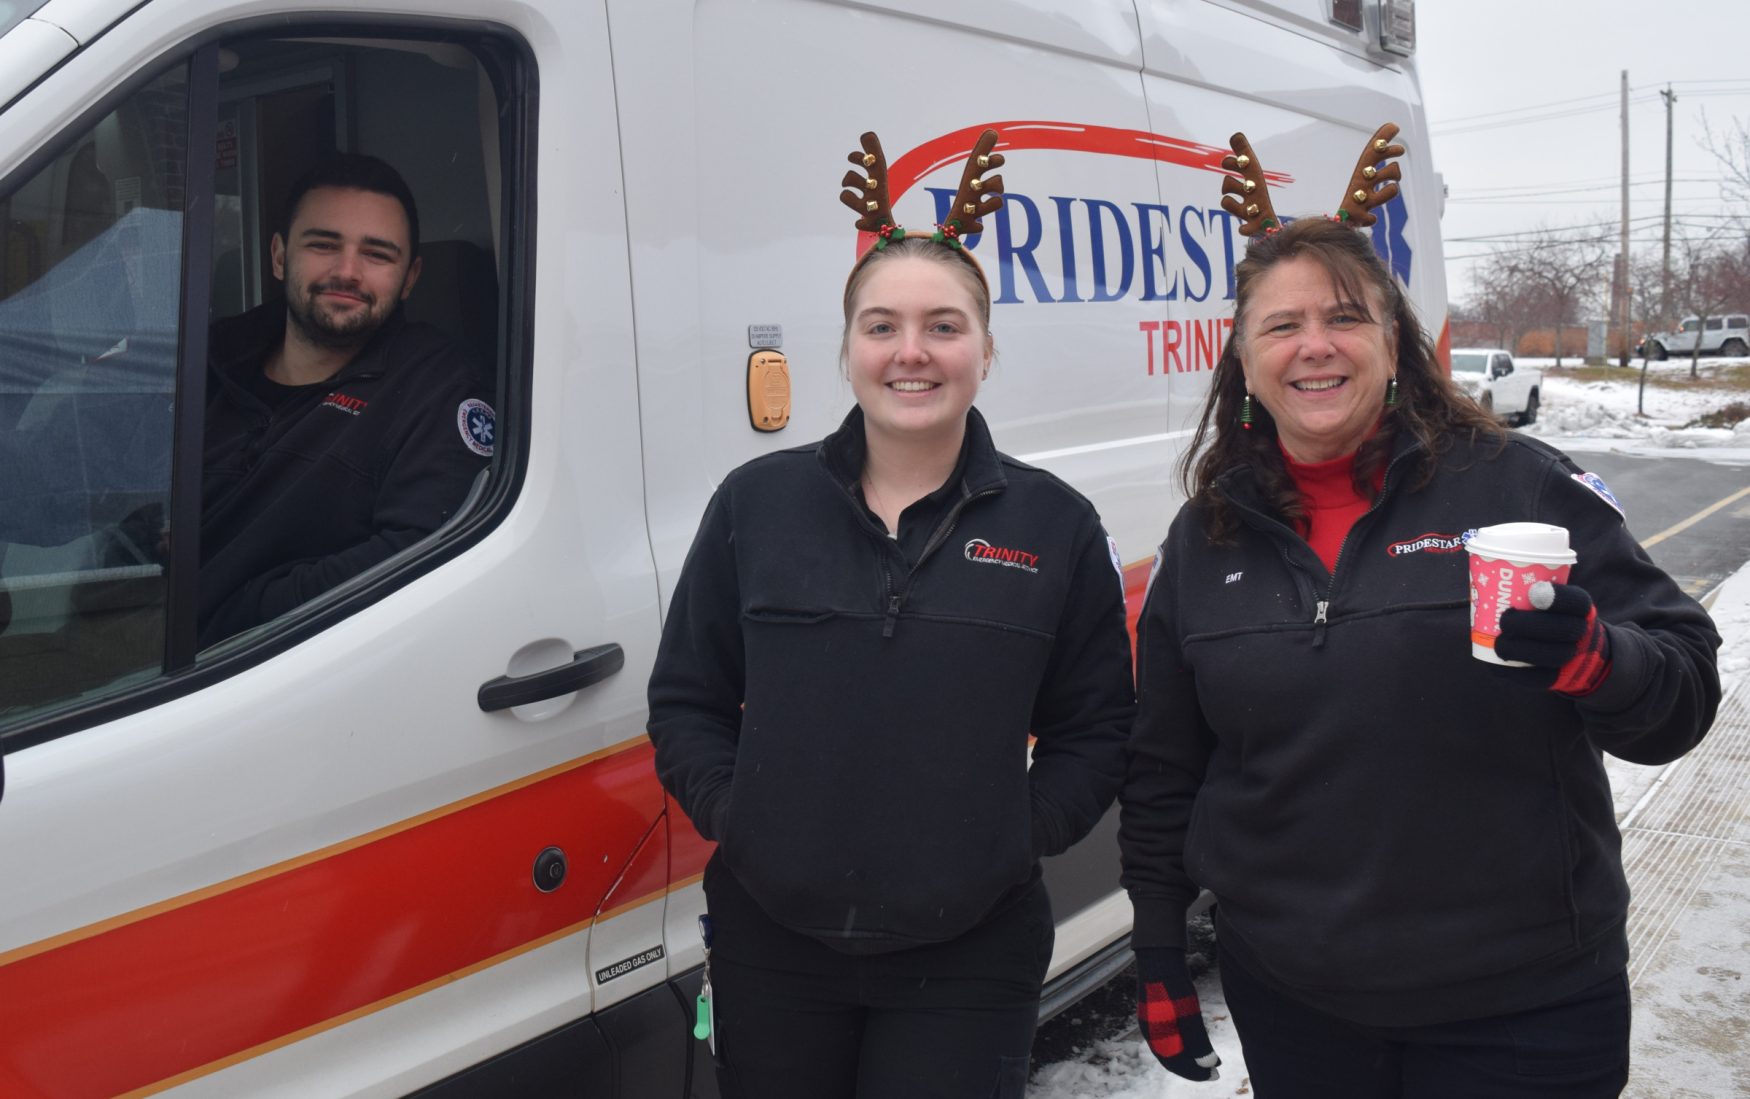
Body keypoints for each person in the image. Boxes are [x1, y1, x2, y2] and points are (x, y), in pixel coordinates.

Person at [1118, 127, 1721, 1097]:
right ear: (1244, 359)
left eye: (1344, 316)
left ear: (1392, 341)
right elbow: (1163, 769)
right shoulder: (1205, 539)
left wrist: (1598, 659)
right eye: (1280, 325)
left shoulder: (1519, 484)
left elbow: (1683, 686)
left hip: (1523, 1009)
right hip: (1297, 1007)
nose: (1314, 344)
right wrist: (1156, 943)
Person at [646, 130, 1134, 1099]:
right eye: (882, 326)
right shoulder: (757, 504)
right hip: (772, 943)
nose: (911, 352)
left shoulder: (1054, 525)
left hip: (970, 951)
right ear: (847, 351)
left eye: (943, 325)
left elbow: (1098, 725)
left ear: (985, 351)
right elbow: (687, 698)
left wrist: (1015, 831)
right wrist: (743, 817)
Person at [199, 154, 493, 646]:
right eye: (323, 244)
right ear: (279, 256)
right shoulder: (208, 360)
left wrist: (219, 616)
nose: (348, 271)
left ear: (410, 278)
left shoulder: (435, 387)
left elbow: (418, 555)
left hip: (244, 666)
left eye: (377, 254)